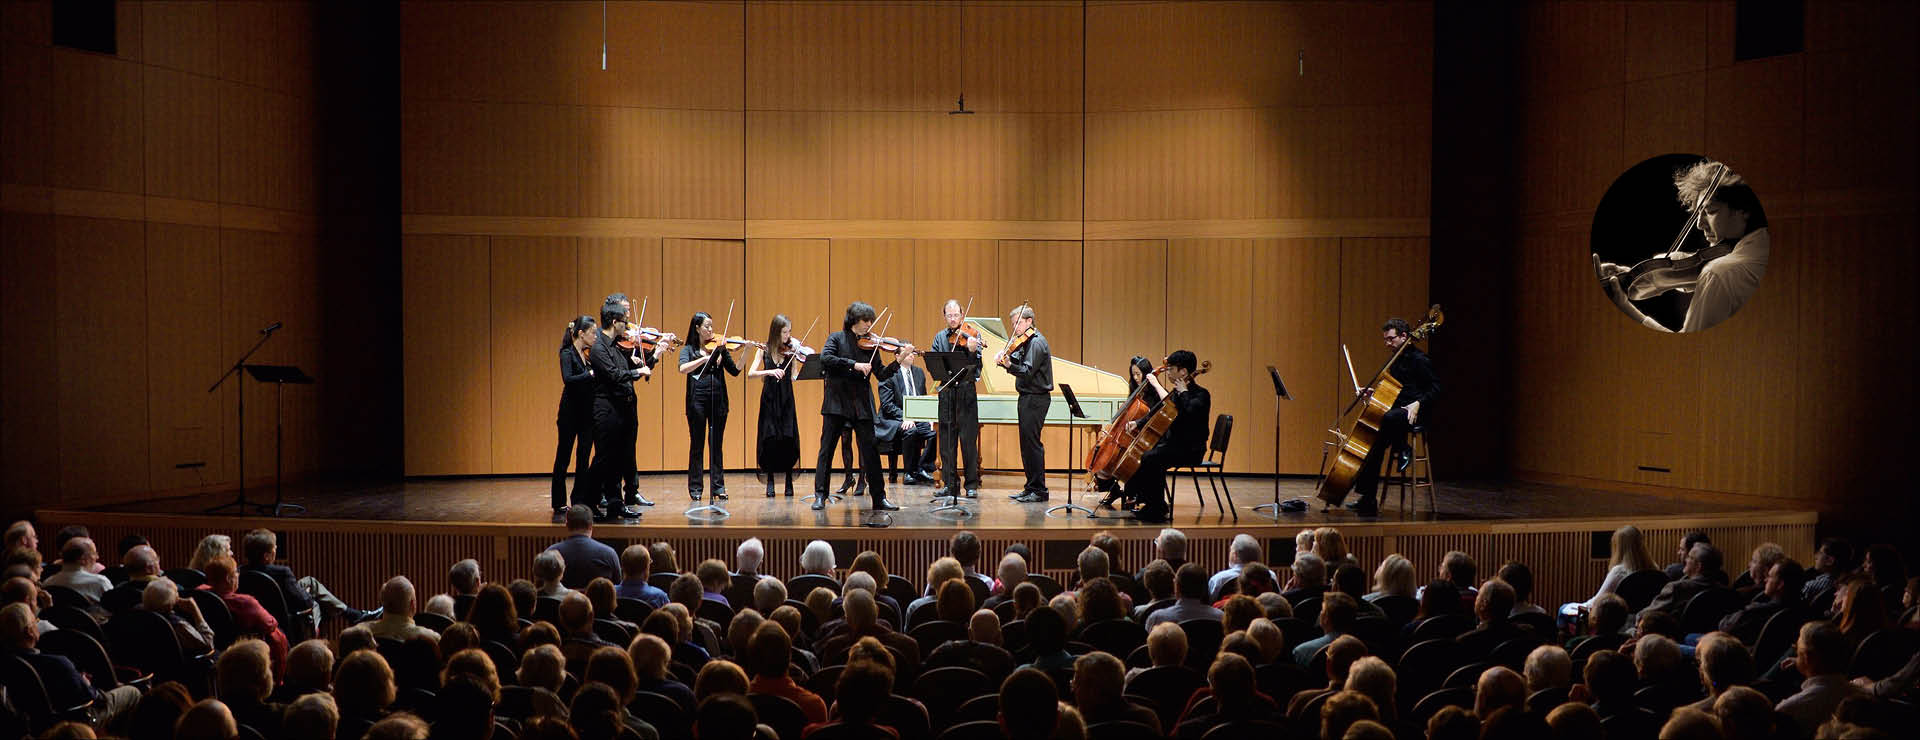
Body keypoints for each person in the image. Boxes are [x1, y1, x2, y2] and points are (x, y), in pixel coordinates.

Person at [1598, 159, 1770, 333]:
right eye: (1698, 212)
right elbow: (1673, 275)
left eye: (1710, 211)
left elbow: (1687, 348)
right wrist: (1630, 275)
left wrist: (1623, 306)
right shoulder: (1763, 244)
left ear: (1744, 210)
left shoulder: (1719, 273)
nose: (1699, 225)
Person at [810, 301, 906, 515]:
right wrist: (853, 364)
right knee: (826, 450)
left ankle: (879, 498)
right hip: (836, 403)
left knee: (870, 451)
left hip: (861, 404)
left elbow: (880, 374)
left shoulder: (871, 343)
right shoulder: (836, 338)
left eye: (870, 321)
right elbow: (826, 358)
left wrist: (897, 362)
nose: (869, 325)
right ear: (853, 321)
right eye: (865, 321)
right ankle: (820, 495)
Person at [1341, 317, 1438, 516]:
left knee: (1388, 419)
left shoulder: (1420, 360)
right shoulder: (1396, 360)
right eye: (1385, 339)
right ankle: (1368, 499)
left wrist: (1418, 403)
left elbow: (1436, 388)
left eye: (1391, 339)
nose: (1387, 343)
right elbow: (1394, 390)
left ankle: (1404, 447)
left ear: (1404, 336)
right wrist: (1372, 394)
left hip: (1414, 413)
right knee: (1373, 444)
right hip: (1397, 412)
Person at [1115, 350, 1209, 522]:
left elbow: (1189, 413)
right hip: (1176, 446)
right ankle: (1153, 504)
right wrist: (1139, 423)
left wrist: (1183, 392)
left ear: (1183, 372)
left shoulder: (1201, 394)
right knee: (1149, 455)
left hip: (1192, 450)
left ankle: (1155, 507)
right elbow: (1159, 410)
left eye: (1171, 368)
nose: (1169, 372)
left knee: (1151, 458)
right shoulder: (1177, 394)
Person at [586, 295, 657, 520]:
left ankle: (616, 506)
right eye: (625, 321)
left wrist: (637, 362)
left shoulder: (616, 346)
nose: (627, 325)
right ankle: (586, 503)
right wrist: (636, 371)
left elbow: (623, 370)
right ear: (614, 322)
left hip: (621, 409)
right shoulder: (599, 347)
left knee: (617, 460)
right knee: (603, 460)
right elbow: (614, 375)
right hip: (606, 410)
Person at [678, 310, 741, 501]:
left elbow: (735, 371)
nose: (711, 330)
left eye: (712, 326)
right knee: (697, 445)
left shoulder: (720, 348)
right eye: (707, 326)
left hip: (718, 400)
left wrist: (745, 350)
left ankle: (718, 487)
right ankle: (696, 488)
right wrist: (704, 359)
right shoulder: (688, 350)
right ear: (697, 328)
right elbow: (682, 369)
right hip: (696, 401)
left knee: (716, 445)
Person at [929, 299, 984, 499]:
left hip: (966, 393)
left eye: (956, 315)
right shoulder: (939, 338)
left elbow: (978, 367)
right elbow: (934, 364)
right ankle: (950, 484)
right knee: (946, 442)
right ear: (945, 317)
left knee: (968, 441)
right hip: (946, 393)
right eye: (949, 315)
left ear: (962, 315)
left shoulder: (972, 336)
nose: (953, 319)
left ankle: (971, 485)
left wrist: (971, 351)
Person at [999, 303, 1054, 502]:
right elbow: (1016, 362)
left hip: (1036, 398)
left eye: (1017, 323)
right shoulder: (1026, 342)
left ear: (1029, 321)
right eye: (1013, 324)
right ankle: (1030, 487)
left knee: (1033, 445)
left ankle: (1039, 490)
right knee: (1026, 445)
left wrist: (1008, 365)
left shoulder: (1037, 343)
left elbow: (1027, 371)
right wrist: (1006, 359)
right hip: (1027, 398)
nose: (1014, 328)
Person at [749, 314, 807, 498]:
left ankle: (789, 481)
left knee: (788, 439)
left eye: (789, 331)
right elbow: (751, 373)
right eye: (784, 332)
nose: (787, 335)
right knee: (771, 439)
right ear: (776, 331)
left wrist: (803, 359)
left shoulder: (791, 351)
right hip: (769, 399)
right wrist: (770, 371)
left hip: (787, 400)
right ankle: (771, 480)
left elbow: (794, 376)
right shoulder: (763, 349)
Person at [1097, 356, 1165, 509]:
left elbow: (1154, 415)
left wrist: (1137, 423)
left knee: (1133, 462)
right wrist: (1110, 427)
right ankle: (1115, 491)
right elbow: (1124, 417)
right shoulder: (1135, 391)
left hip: (1146, 439)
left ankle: (1133, 494)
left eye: (1138, 374)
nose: (1135, 378)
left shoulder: (1154, 394)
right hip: (1131, 436)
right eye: (1133, 374)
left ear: (1146, 373)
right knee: (1100, 458)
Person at [875, 339, 938, 487]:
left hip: (915, 417)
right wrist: (906, 416)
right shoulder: (889, 373)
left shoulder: (918, 372)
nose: (911, 355)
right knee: (911, 430)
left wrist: (928, 417)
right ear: (898, 356)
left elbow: (921, 398)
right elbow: (887, 405)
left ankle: (921, 467)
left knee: (936, 432)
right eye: (906, 352)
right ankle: (909, 473)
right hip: (892, 419)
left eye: (912, 352)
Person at [552, 315, 598, 515]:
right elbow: (568, 379)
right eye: (592, 333)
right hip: (570, 413)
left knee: (584, 457)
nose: (595, 337)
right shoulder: (567, 353)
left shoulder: (586, 355)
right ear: (581, 333)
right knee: (564, 457)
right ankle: (558, 501)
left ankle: (578, 499)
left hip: (586, 414)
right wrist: (589, 375)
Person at [546, 506, 619, 588]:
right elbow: (616, 585)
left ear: (567, 525)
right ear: (591, 525)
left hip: (563, 601)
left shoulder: (551, 553)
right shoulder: (608, 553)